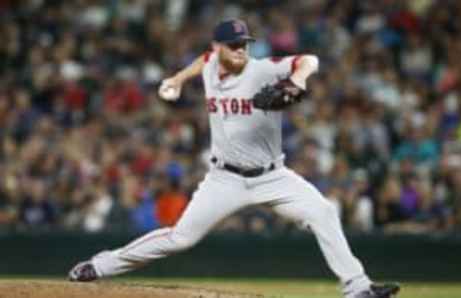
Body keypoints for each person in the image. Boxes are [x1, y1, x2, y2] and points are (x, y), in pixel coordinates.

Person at [69, 19, 400, 298]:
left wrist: (296, 80)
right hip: (224, 179)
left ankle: (358, 287)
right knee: (180, 238)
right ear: (219, 48)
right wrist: (177, 79)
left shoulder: (261, 71)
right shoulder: (212, 65)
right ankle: (99, 265)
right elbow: (203, 59)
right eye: (233, 44)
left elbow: (309, 59)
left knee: (323, 211)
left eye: (245, 43)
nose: (241, 49)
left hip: (273, 176)